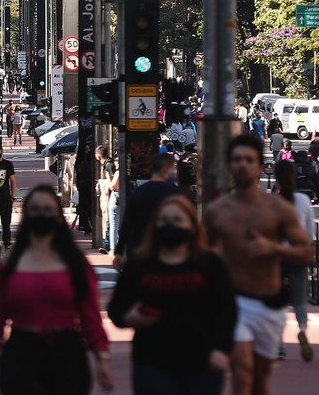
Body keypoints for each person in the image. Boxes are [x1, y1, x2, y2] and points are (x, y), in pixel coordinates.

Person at [204, 133, 313, 395]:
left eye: (249, 160)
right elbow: (201, 256)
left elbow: (306, 253)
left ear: (258, 166)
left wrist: (273, 248)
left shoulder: (278, 209)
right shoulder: (217, 212)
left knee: (259, 379)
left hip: (268, 303)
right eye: (237, 159)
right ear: (230, 165)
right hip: (233, 302)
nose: (242, 164)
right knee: (241, 373)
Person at [0, 185, 113, 395]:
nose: (41, 215)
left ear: (59, 217)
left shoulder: (76, 264)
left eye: (48, 210)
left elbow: (90, 317)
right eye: (35, 210)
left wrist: (102, 360)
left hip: (67, 356)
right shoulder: (9, 266)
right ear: (26, 217)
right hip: (21, 356)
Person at [109, 195, 236, 394]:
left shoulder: (210, 264)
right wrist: (129, 318)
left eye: (177, 220)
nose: (170, 226)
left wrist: (222, 349)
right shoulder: (140, 265)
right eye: (164, 221)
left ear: (192, 226)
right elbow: (116, 308)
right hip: (152, 361)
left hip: (202, 361)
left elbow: (227, 310)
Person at [273, 160, 315, 362]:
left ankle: (279, 344)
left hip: (278, 257)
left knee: (278, 303)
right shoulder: (303, 200)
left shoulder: (272, 202)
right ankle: (303, 330)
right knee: (299, 300)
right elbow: (309, 232)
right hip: (298, 255)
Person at [113, 153, 180, 269]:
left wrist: (119, 251)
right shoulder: (173, 194)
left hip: (138, 248)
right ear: (165, 169)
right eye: (172, 168)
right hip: (164, 249)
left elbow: (127, 223)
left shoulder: (138, 193)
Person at [95, 145, 119, 253]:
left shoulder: (109, 165)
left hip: (113, 194)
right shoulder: (108, 164)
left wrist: (107, 181)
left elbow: (112, 184)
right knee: (111, 221)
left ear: (98, 155)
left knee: (112, 221)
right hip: (112, 195)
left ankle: (111, 245)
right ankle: (109, 244)